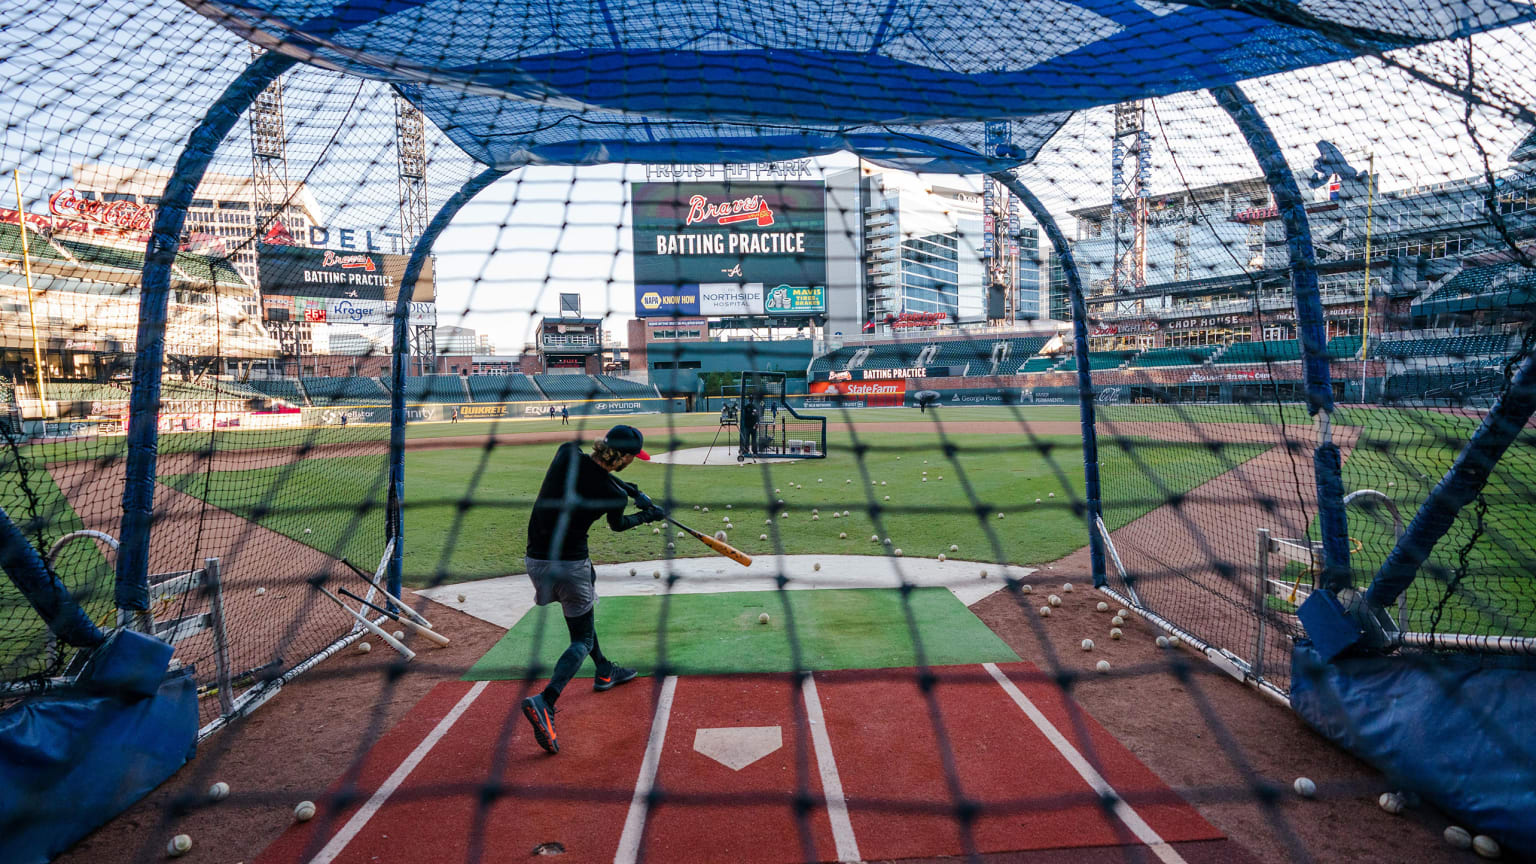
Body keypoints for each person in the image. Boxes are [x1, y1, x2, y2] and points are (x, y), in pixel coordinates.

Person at [520, 425, 664, 754]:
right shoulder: (613, 496)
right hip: (570, 566)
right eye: (632, 459)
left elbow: (588, 469)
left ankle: (604, 670)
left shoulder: (566, 453)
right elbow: (618, 524)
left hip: (535, 561)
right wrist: (647, 515)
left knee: (583, 613)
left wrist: (627, 488)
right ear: (624, 457)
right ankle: (546, 701)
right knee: (581, 639)